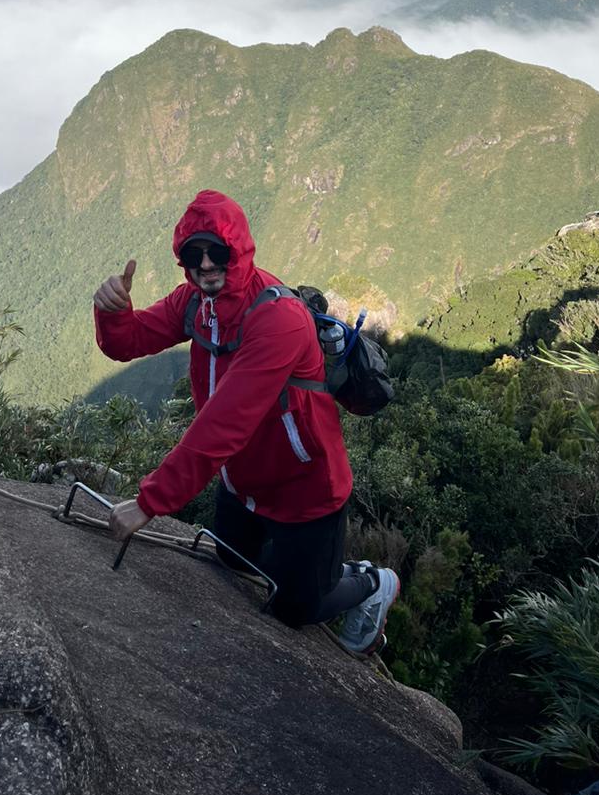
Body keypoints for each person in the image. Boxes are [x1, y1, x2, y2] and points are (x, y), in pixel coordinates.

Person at [92, 187, 399, 652]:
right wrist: (113, 312)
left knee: (295, 610)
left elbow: (225, 422)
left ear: (239, 250)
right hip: (242, 482)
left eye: (217, 251)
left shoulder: (279, 320)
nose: (206, 264)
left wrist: (149, 502)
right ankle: (311, 569)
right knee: (233, 562)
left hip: (304, 488)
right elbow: (127, 342)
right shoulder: (195, 303)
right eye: (193, 254)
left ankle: (372, 583)